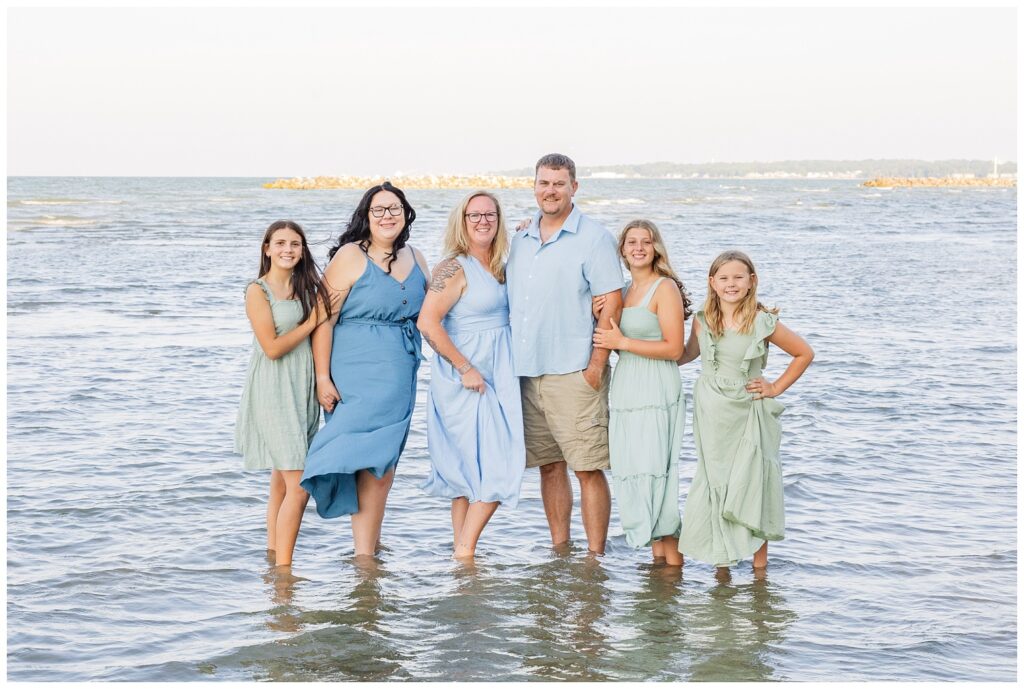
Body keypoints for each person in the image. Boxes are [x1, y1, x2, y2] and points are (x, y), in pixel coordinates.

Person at [300, 182, 430, 559]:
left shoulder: (416, 257)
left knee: (383, 465)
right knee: (346, 456)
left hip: (401, 373)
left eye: (394, 208)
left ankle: (366, 550)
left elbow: (442, 301)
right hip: (356, 373)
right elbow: (323, 321)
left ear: (406, 213)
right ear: (367, 217)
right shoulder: (350, 256)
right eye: (379, 210)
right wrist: (322, 377)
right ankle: (349, 553)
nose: (387, 216)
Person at [506, 153, 624, 555]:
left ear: (575, 186)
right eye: (543, 183)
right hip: (525, 374)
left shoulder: (595, 238)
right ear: (534, 186)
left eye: (559, 183)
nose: (550, 191)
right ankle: (560, 550)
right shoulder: (519, 239)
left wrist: (595, 368)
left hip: (574, 372)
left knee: (587, 468)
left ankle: (595, 558)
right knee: (549, 466)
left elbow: (611, 303)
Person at [677, 250, 813, 574]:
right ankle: (721, 568)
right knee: (716, 482)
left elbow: (804, 353)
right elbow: (684, 356)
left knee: (752, 481)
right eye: (723, 278)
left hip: (747, 411)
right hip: (711, 413)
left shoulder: (762, 321)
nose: (731, 284)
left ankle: (759, 572)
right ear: (712, 282)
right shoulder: (702, 319)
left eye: (738, 277)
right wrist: (641, 346)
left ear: (752, 281)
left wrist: (775, 387)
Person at [417, 191, 525, 559]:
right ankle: (464, 552)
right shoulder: (452, 267)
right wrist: (465, 368)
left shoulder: (500, 264)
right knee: (496, 465)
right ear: (461, 222)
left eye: (489, 215)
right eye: (474, 215)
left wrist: (529, 233)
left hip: (499, 371)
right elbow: (426, 323)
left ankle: (462, 561)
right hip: (466, 379)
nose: (482, 221)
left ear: (499, 220)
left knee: (471, 474)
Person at [235, 220, 336, 567]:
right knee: (301, 483)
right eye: (280, 243)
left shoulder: (308, 288)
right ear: (267, 249)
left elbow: (326, 329)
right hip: (273, 389)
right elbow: (272, 348)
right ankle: (285, 573)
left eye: (295, 244)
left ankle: (274, 556)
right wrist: (311, 322)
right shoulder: (257, 291)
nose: (288, 250)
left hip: (301, 389)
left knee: (282, 480)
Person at [592, 219, 692, 566]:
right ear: (621, 250)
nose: (637, 247)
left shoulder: (664, 289)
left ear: (655, 248)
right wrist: (604, 326)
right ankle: (657, 571)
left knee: (657, 474)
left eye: (645, 242)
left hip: (657, 387)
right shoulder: (621, 291)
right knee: (634, 470)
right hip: (627, 387)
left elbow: (674, 349)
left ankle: (672, 573)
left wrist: (621, 341)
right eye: (631, 242)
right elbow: (620, 345)